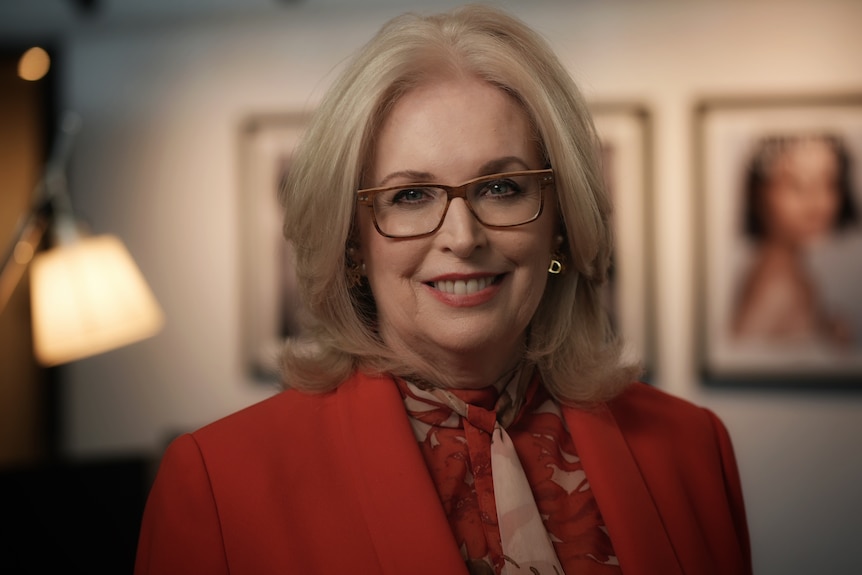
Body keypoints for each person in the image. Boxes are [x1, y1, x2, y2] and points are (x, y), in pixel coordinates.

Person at [134, 5, 752, 574]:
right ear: (353, 241)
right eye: (410, 195)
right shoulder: (220, 483)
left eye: (502, 188)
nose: (463, 236)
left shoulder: (691, 448)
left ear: (559, 223)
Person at [732, 133, 859, 346]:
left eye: (829, 184)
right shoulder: (777, 285)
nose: (817, 203)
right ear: (758, 193)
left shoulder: (791, 271)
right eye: (796, 185)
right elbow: (741, 360)